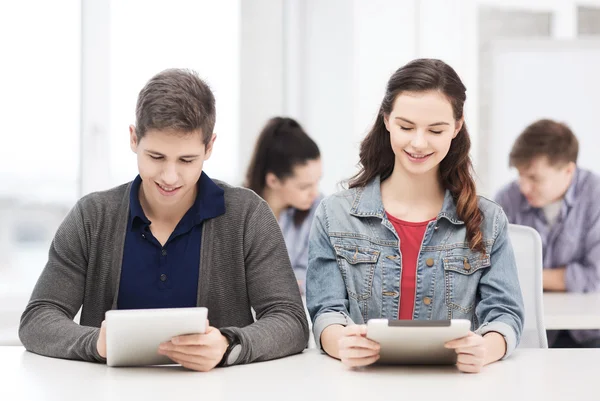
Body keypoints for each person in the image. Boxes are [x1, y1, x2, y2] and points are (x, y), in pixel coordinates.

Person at [19, 69, 309, 371]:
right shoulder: (92, 217)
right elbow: (38, 319)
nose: (170, 177)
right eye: (156, 157)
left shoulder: (248, 215)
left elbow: (290, 321)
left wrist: (227, 345)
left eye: (186, 160)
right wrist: (96, 344)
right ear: (134, 138)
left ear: (209, 147)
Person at [306, 59, 524, 373]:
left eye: (435, 130)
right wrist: (342, 343)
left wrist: (485, 348)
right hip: (362, 385)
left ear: (457, 127)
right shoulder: (335, 214)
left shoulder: (488, 220)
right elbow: (326, 311)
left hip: (454, 386)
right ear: (386, 120)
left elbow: (505, 315)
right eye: (406, 127)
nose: (418, 143)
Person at [495, 119, 600, 348]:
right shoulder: (506, 200)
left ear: (568, 171)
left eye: (534, 178)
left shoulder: (595, 196)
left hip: (590, 333)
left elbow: (594, 277)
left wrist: (529, 277)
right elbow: (493, 272)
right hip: (528, 331)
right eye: (520, 175)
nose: (523, 187)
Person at [245, 117, 322, 294]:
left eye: (317, 181)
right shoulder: (238, 211)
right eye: (305, 186)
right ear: (273, 180)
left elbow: (315, 275)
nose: (315, 192)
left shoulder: (318, 210)